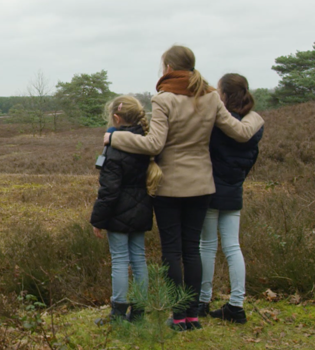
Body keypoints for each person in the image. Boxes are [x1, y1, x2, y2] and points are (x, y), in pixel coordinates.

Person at [104, 45, 264, 331]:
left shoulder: (163, 99)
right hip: (202, 185)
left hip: (169, 188)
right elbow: (240, 132)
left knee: (171, 253)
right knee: (191, 251)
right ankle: (192, 317)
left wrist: (114, 138)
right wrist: (257, 117)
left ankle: (178, 317)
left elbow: (154, 144)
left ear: (168, 68)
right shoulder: (212, 96)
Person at [198, 73, 264, 324]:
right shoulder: (254, 125)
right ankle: (236, 305)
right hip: (235, 190)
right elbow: (250, 160)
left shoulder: (219, 124)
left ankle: (203, 300)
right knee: (233, 247)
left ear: (224, 95)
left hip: (212, 189)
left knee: (207, 246)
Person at [90, 95, 162, 322]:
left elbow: (109, 190)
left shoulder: (114, 148)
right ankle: (139, 311)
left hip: (118, 213)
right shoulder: (147, 143)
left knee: (120, 260)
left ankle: (118, 312)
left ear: (116, 118)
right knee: (139, 259)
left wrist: (98, 219)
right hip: (142, 208)